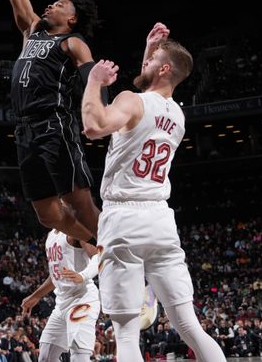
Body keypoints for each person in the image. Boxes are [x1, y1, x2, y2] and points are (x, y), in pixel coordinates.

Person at [81, 22, 226, 362]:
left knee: (127, 332)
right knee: (189, 324)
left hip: (122, 217)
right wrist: (150, 49)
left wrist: (93, 82)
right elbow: (148, 99)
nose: (142, 65)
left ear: (162, 69)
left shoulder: (130, 101)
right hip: (160, 219)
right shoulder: (177, 115)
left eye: (150, 61)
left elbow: (94, 126)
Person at [0, 0, 103, 240]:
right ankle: (92, 244)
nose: (51, 5)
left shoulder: (73, 43)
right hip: (24, 128)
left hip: (54, 125)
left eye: (61, 4)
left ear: (72, 19)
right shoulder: (32, 31)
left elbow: (92, 80)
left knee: (80, 205)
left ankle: (123, 257)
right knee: (45, 213)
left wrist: (101, 113)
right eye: (52, 2)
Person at [21, 225, 100, 362]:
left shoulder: (76, 228)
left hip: (82, 299)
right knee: (46, 357)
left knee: (79, 354)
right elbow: (55, 274)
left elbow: (99, 256)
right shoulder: (51, 236)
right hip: (62, 304)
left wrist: (84, 275)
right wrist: (36, 296)